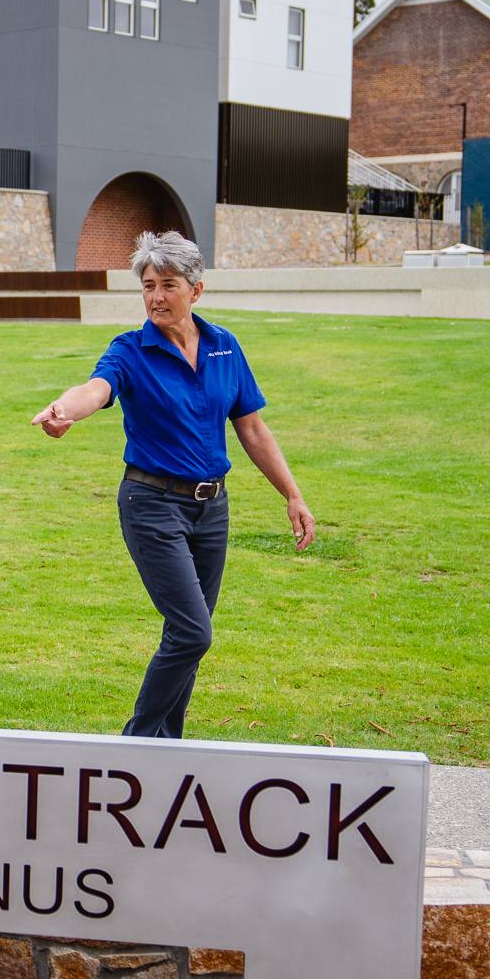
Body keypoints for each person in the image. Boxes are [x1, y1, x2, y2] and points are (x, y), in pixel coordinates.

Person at [32, 230, 314, 739]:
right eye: (148, 286)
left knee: (187, 638)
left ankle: (167, 751)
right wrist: (63, 410)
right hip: (153, 505)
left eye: (168, 285)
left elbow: (251, 428)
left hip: (212, 509)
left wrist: (292, 494)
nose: (156, 297)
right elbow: (96, 388)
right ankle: (136, 747)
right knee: (193, 632)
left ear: (195, 290)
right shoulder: (130, 350)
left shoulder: (225, 346)